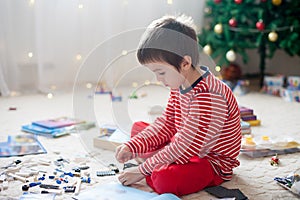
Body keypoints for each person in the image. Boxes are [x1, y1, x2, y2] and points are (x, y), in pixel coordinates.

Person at [115, 14, 242, 197]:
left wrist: (143, 170)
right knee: (138, 131)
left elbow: (184, 146)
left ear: (185, 63)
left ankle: (158, 164)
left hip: (210, 162)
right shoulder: (181, 83)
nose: (158, 80)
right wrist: (133, 145)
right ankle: (158, 159)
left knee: (164, 180)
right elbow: (168, 122)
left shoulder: (208, 98)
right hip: (185, 143)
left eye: (161, 72)